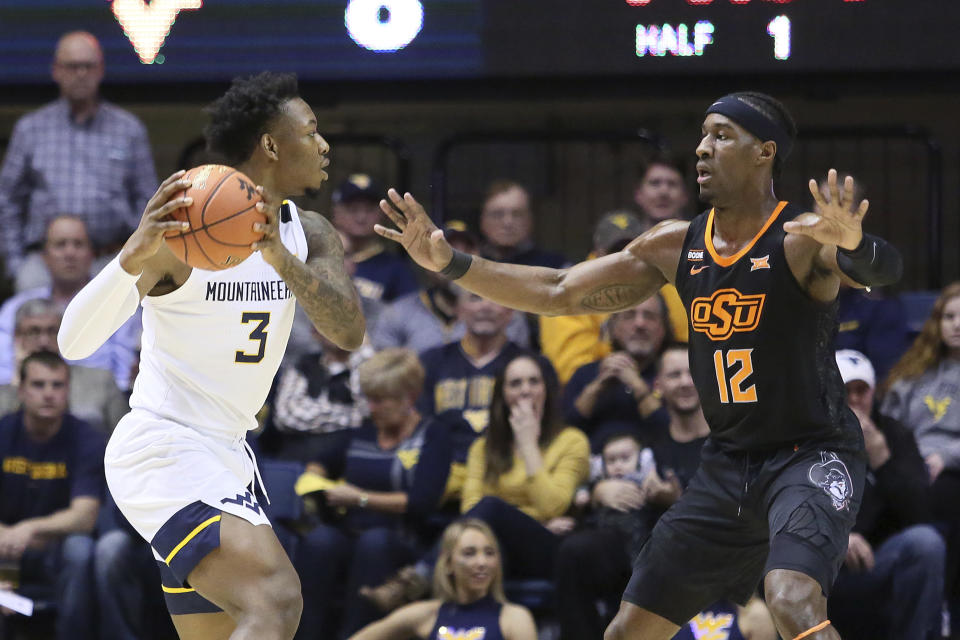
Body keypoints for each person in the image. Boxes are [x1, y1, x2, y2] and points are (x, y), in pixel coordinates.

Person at [376, 90, 903, 639]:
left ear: (764, 152)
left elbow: (884, 269)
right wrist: (452, 262)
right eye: (702, 135)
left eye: (722, 135)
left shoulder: (801, 239)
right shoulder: (675, 244)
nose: (702, 149)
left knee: (791, 599)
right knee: (628, 631)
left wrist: (857, 245)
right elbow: (558, 289)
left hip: (809, 452)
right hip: (729, 464)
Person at [57, 72, 364, 640]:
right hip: (165, 447)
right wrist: (131, 255)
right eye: (313, 131)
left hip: (230, 455)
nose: (325, 146)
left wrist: (279, 259)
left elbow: (348, 332)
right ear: (272, 144)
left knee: (228, 630)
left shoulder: (310, 232)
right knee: (277, 599)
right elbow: (71, 343)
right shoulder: (185, 226)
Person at [292, 348, 452, 639]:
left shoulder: (433, 435)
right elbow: (323, 461)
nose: (372, 408)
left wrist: (361, 498)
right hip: (350, 530)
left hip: (403, 538)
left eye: (380, 400)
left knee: (373, 544)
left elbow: (421, 502)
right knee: (319, 541)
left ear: (410, 397)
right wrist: (315, 476)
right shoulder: (363, 432)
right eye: (369, 398)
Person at [555, 344, 709, 640]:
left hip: (694, 550)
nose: (685, 382)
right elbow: (601, 462)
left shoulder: (725, 439)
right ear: (658, 386)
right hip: (634, 540)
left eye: (692, 373)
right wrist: (599, 489)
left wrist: (676, 501)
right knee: (575, 552)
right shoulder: (646, 435)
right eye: (674, 375)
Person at [0, 31, 157, 292]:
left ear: (100, 70)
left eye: (88, 66)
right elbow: (7, 200)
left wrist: (138, 258)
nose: (81, 73)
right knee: (30, 297)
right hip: (44, 263)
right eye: (72, 66)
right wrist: (16, 262)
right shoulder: (30, 129)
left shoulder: (129, 130)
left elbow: (149, 203)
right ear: (56, 71)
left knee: (125, 324)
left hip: (110, 259)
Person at [828, 349, 944, 640]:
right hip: (818, 562)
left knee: (926, 543)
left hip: (877, 560)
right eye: (845, 391)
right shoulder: (805, 438)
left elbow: (921, 514)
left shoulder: (893, 434)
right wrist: (836, 537)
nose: (854, 400)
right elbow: (788, 507)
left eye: (861, 391)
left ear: (872, 394)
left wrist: (882, 460)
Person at [0, 351, 104, 640]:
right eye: (38, 384)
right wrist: (6, 536)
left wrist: (28, 529)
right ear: (21, 390)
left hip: (54, 547)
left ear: (68, 390)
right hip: (5, 547)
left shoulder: (87, 438)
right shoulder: (3, 431)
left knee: (80, 549)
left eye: (57, 385)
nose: (49, 394)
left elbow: (85, 516)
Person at [539, 210, 688, 385]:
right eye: (613, 254)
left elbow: (689, 353)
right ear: (596, 255)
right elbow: (571, 373)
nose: (622, 262)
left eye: (632, 254)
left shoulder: (673, 284)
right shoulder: (568, 293)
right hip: (603, 390)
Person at [0, 215, 139, 389]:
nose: (69, 253)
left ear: (92, 254)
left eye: (78, 244)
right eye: (60, 244)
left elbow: (123, 377)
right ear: (44, 256)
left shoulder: (118, 302)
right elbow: (3, 375)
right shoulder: (14, 308)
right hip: (27, 398)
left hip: (95, 399)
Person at [348, 519, 537, 640]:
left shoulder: (514, 618)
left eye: (489, 553)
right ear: (448, 564)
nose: (482, 562)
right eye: (469, 553)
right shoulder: (426, 614)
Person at [372, 221, 530, 353]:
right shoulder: (397, 314)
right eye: (445, 252)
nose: (456, 262)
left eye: (466, 253)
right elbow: (383, 380)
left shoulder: (506, 313)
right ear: (426, 262)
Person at [0, 298, 128, 434]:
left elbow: (126, 437)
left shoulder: (101, 381)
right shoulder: (5, 392)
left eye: (52, 331)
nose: (44, 341)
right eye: (34, 332)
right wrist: (20, 379)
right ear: (17, 337)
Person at [562, 294, 670, 452]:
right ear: (613, 327)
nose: (640, 324)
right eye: (629, 316)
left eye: (649, 316)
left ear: (662, 328)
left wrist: (637, 386)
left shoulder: (675, 375)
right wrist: (597, 387)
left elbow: (678, 433)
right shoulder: (585, 374)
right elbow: (564, 433)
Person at [332, 173, 420, 306]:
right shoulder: (317, 259)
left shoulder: (397, 269)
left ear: (382, 214)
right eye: (353, 209)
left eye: (369, 210)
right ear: (336, 213)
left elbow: (409, 319)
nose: (361, 217)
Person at [478, 180, 568, 269]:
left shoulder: (557, 268)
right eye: (498, 214)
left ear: (530, 219)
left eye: (517, 214)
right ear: (483, 220)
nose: (508, 222)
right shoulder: (469, 264)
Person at [633, 151, 691, 226]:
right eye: (655, 183)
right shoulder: (623, 236)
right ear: (638, 194)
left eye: (672, 184)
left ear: (685, 196)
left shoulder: (704, 237)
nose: (663, 192)